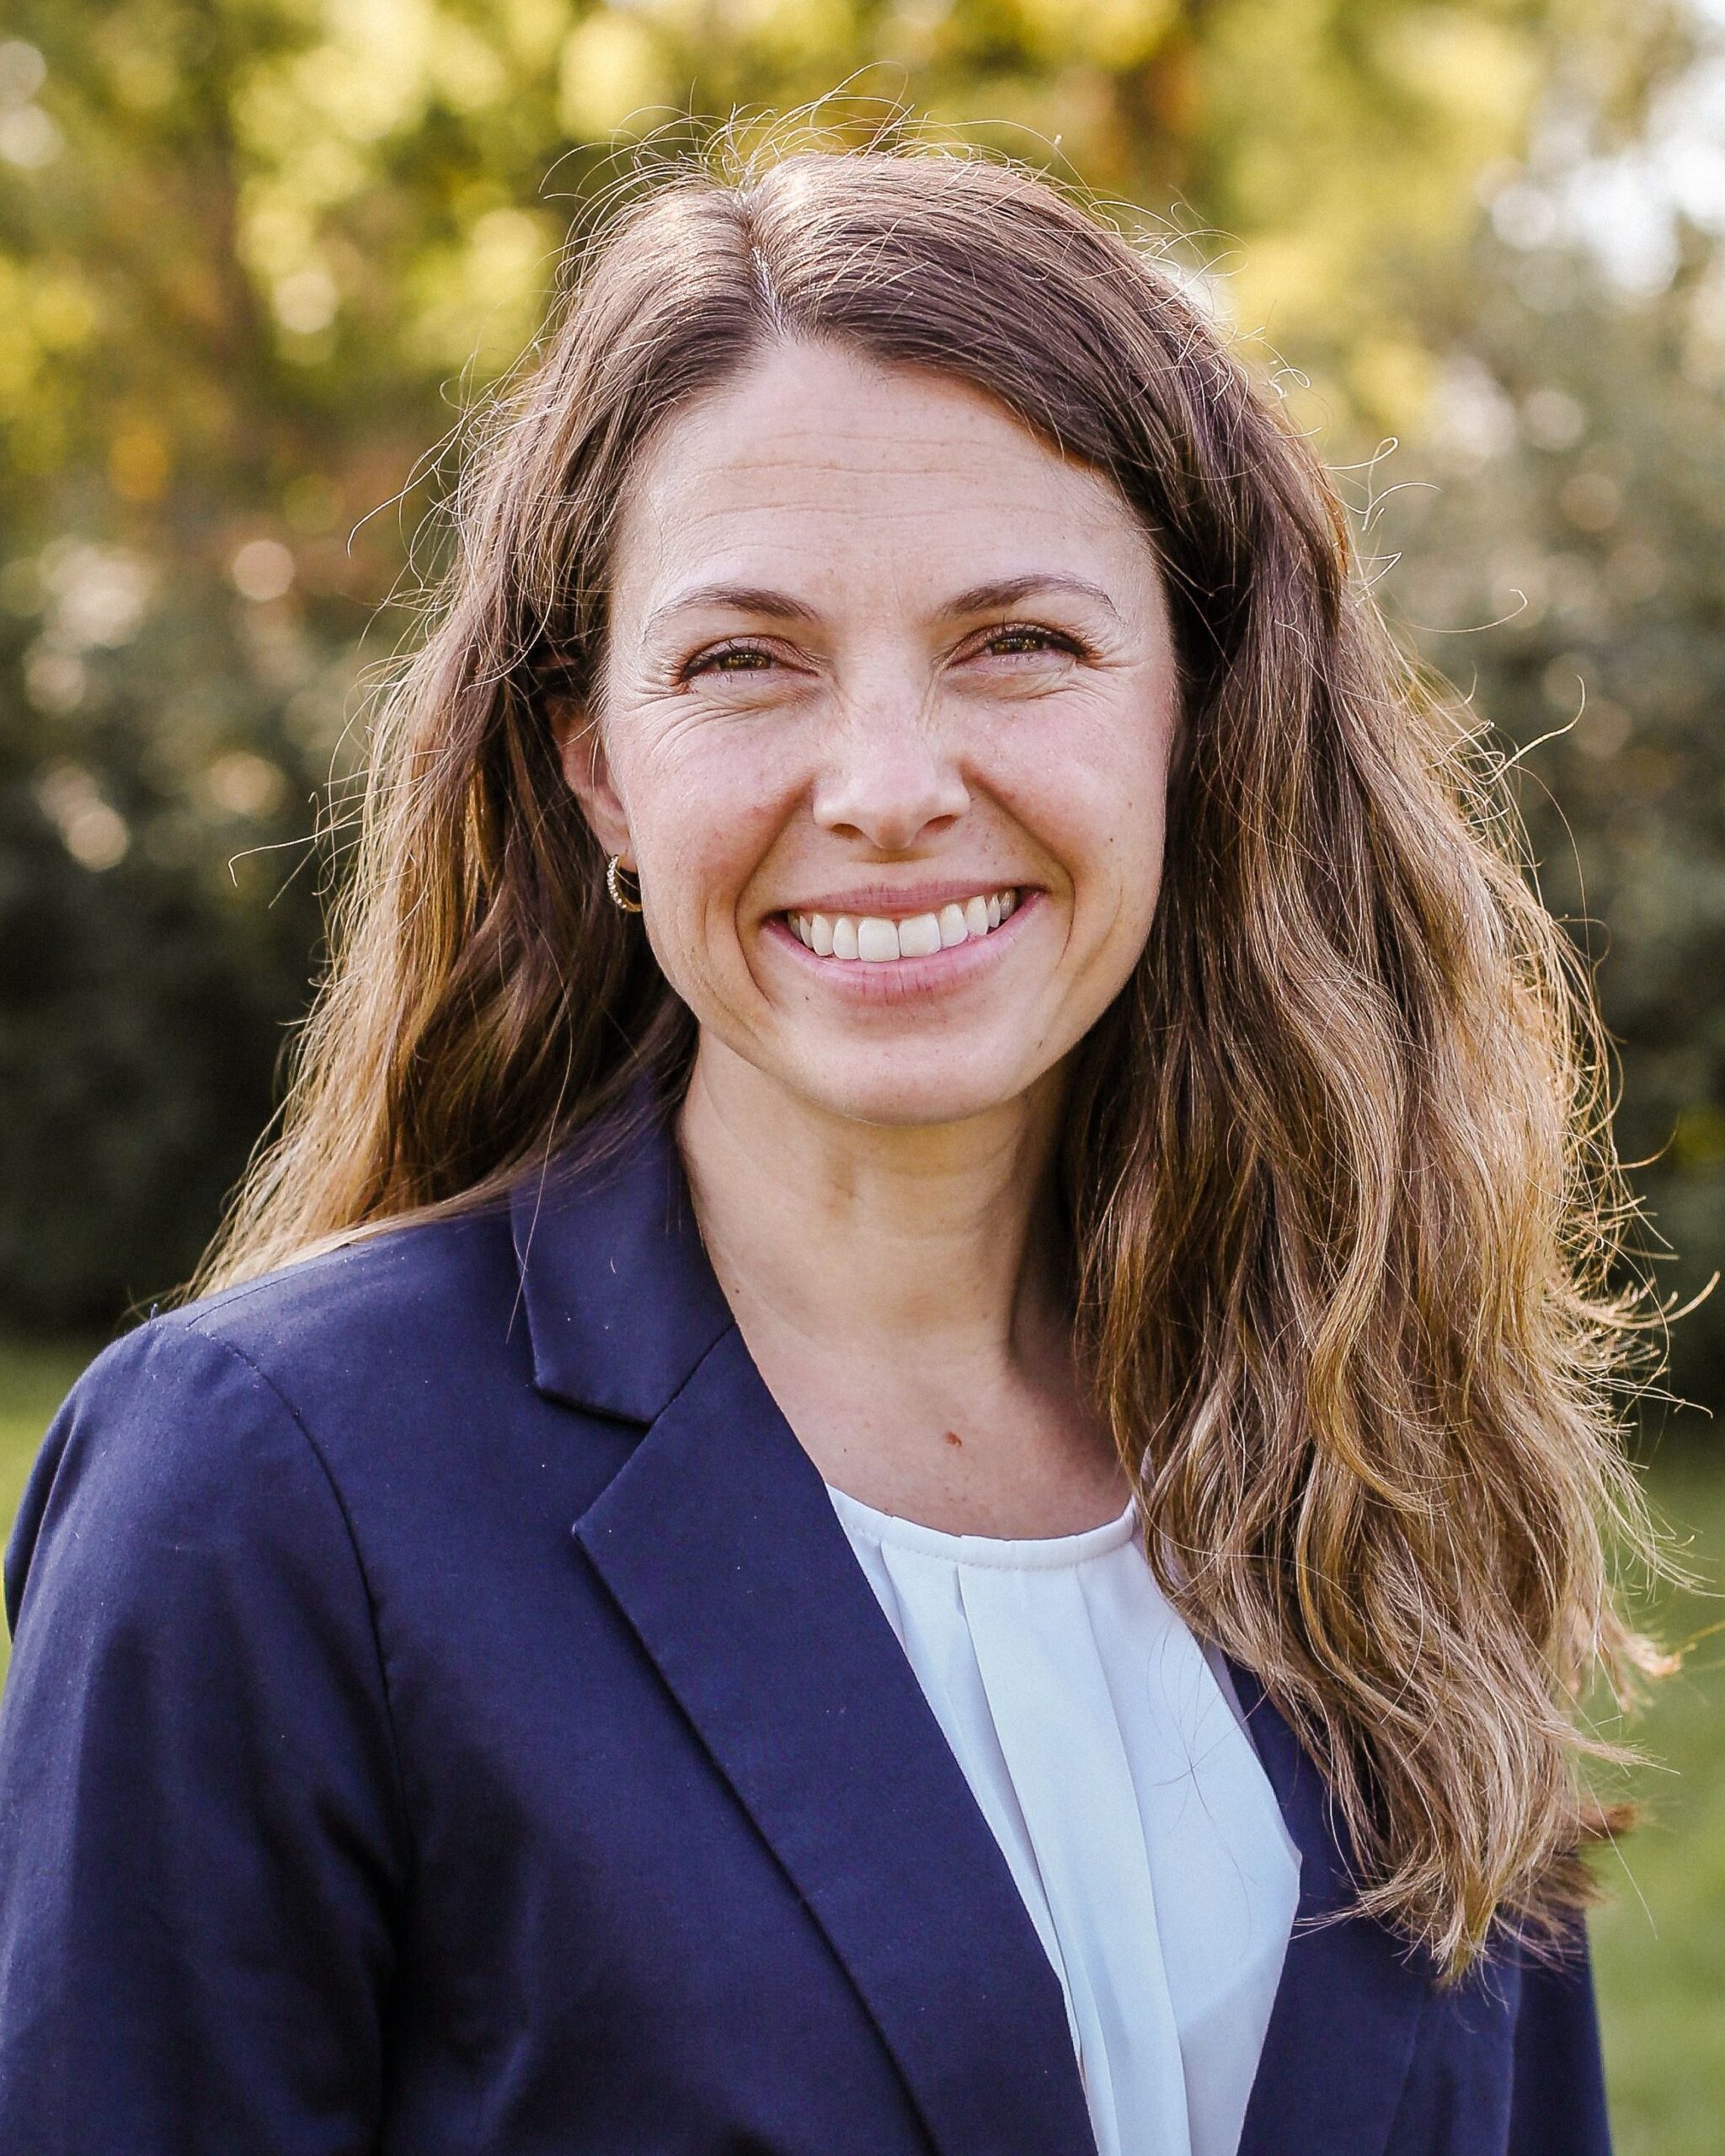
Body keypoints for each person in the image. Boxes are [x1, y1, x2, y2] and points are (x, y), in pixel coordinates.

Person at [0, 141, 1669, 2155]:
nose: (886, 787)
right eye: (741, 659)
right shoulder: (270, 1495)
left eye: (1017, 641)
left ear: (1198, 712)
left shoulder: (1374, 1444)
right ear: (598, 768)